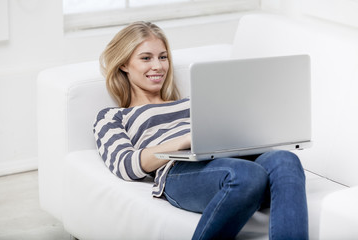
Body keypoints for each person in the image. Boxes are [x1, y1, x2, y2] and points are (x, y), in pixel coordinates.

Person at [94, 21, 309, 240]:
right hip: (180, 170)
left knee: (286, 160)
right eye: (146, 58)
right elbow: (126, 164)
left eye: (163, 57)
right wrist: (183, 141)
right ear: (124, 64)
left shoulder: (194, 101)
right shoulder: (114, 116)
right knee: (247, 175)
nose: (158, 66)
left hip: (230, 156)